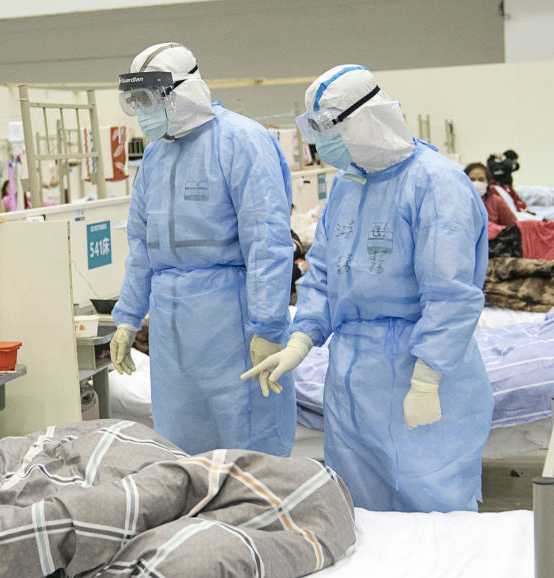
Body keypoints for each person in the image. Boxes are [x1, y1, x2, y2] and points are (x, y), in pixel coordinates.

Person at [243, 65, 493, 513]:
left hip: (416, 369)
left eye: (328, 128)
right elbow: (324, 272)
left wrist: (427, 377)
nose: (323, 144)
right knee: (359, 514)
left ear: (365, 119)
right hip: (351, 379)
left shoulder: (436, 183)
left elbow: (451, 294)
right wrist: (301, 340)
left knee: (432, 510)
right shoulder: (348, 184)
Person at [109, 42, 296, 456]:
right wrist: (127, 317)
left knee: (246, 442)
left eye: (150, 99)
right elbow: (141, 246)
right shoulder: (155, 156)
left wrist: (267, 327)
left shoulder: (242, 141)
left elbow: (267, 242)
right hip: (170, 323)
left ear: (183, 91)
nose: (143, 110)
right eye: (136, 101)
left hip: (231, 320)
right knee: (180, 443)